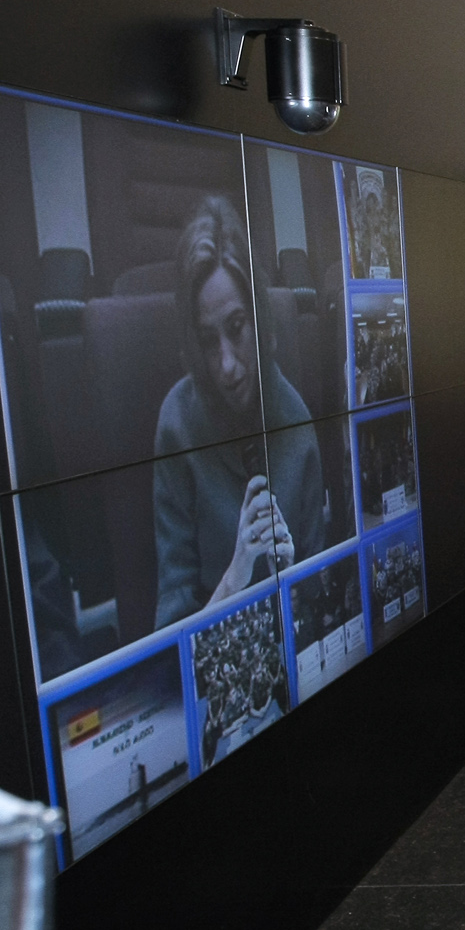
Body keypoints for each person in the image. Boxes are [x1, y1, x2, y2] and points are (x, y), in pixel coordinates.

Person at [154, 196, 326, 626]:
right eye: (208, 342)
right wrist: (235, 580)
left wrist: (297, 587)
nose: (227, 366)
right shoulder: (176, 426)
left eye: (235, 328)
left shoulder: (297, 420)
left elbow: (323, 603)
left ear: (259, 319)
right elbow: (171, 634)